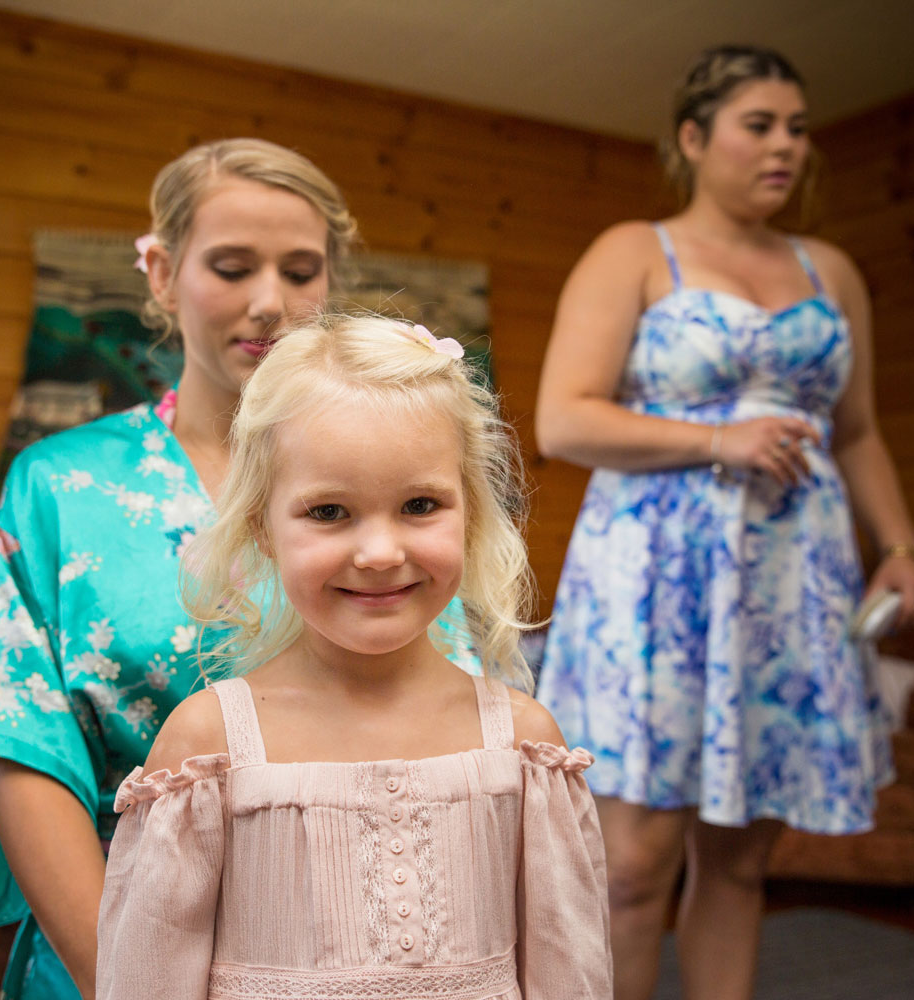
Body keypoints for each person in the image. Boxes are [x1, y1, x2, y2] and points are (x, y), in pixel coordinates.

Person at [0, 139, 479, 1000]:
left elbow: (454, 708)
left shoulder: (388, 487)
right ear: (164, 274)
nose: (269, 302)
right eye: (233, 267)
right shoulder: (63, 486)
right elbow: (22, 748)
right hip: (117, 938)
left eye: (300, 270)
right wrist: (128, 978)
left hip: (370, 942)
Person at [533, 46, 914, 1000]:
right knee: (633, 869)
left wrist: (902, 548)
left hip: (793, 577)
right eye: (759, 125)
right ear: (692, 138)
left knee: (742, 861)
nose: (786, 146)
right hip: (655, 578)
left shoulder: (829, 267)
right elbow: (565, 418)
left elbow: (861, 430)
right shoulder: (633, 250)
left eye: (798, 128)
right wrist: (722, 441)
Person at [95, 314, 614, 999]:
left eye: (420, 504)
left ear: (473, 513)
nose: (379, 553)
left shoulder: (524, 748)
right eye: (330, 512)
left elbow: (569, 976)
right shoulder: (206, 751)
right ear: (264, 525)